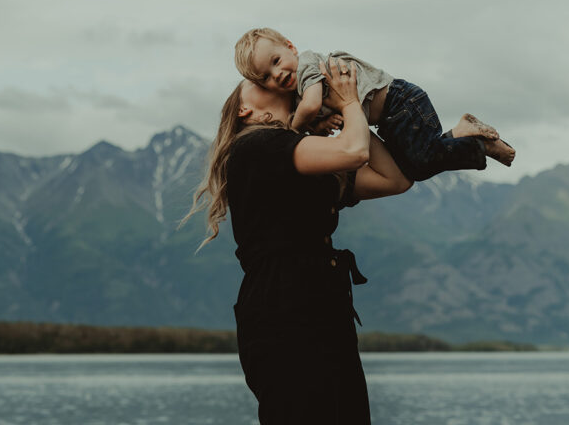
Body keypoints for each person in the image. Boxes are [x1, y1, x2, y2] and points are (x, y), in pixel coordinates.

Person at [188, 57, 412, 425]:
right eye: (258, 80)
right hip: (283, 308)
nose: (275, 80)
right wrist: (350, 102)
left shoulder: (300, 155)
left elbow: (394, 179)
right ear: (245, 109)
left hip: (323, 302)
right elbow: (353, 153)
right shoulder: (256, 146)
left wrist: (343, 112)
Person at [234, 26, 515, 183]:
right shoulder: (303, 90)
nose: (278, 74)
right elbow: (323, 112)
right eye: (266, 78)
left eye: (276, 62)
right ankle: (461, 132)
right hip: (390, 118)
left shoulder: (308, 65)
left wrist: (292, 130)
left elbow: (310, 107)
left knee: (424, 159)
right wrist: (323, 123)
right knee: (413, 170)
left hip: (401, 102)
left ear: (290, 46)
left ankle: (481, 144)